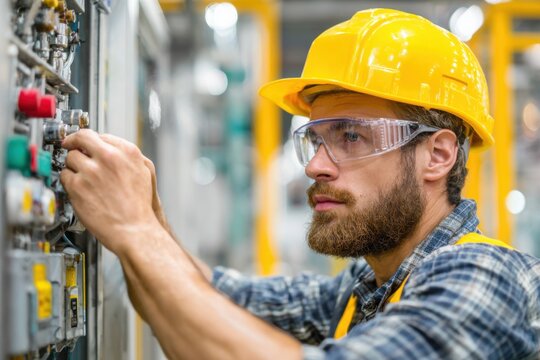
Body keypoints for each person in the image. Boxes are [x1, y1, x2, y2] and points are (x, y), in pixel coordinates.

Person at [60, 8, 540, 360]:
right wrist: (143, 215)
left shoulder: (486, 278)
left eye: (351, 136)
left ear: (437, 155)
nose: (315, 168)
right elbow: (201, 296)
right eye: (316, 140)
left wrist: (139, 231)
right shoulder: (364, 291)